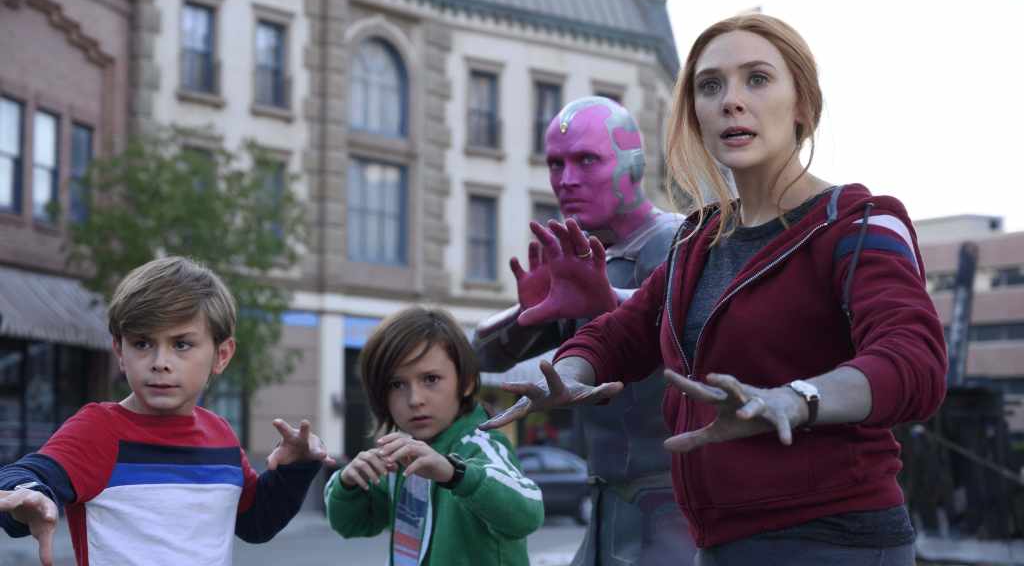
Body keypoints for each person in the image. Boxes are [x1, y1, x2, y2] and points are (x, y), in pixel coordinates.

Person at [482, 14, 947, 566]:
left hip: (835, 541)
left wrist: (795, 399)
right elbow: (619, 335)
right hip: (717, 543)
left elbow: (914, 362)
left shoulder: (858, 223)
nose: (731, 101)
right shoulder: (696, 241)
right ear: (695, 115)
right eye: (710, 86)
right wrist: (567, 375)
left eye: (757, 79)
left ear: (803, 105)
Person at [473, 96, 696, 565]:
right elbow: (481, 356)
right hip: (608, 501)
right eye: (556, 163)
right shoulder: (583, 258)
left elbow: (693, 322)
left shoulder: (678, 240)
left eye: (587, 160)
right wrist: (527, 312)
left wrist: (608, 300)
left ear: (633, 165)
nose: (567, 179)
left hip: (675, 503)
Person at [0, 256, 331, 566]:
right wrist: (28, 497)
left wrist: (295, 468)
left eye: (181, 344)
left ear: (221, 355)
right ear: (120, 351)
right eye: (142, 344)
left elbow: (256, 523)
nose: (160, 362)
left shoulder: (220, 435)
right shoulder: (101, 430)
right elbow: (24, 476)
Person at [325, 307, 543, 566]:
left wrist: (455, 474)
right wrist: (348, 485)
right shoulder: (401, 453)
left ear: (467, 382)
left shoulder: (481, 445)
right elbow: (354, 524)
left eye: (430, 379)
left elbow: (528, 514)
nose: (415, 399)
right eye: (396, 384)